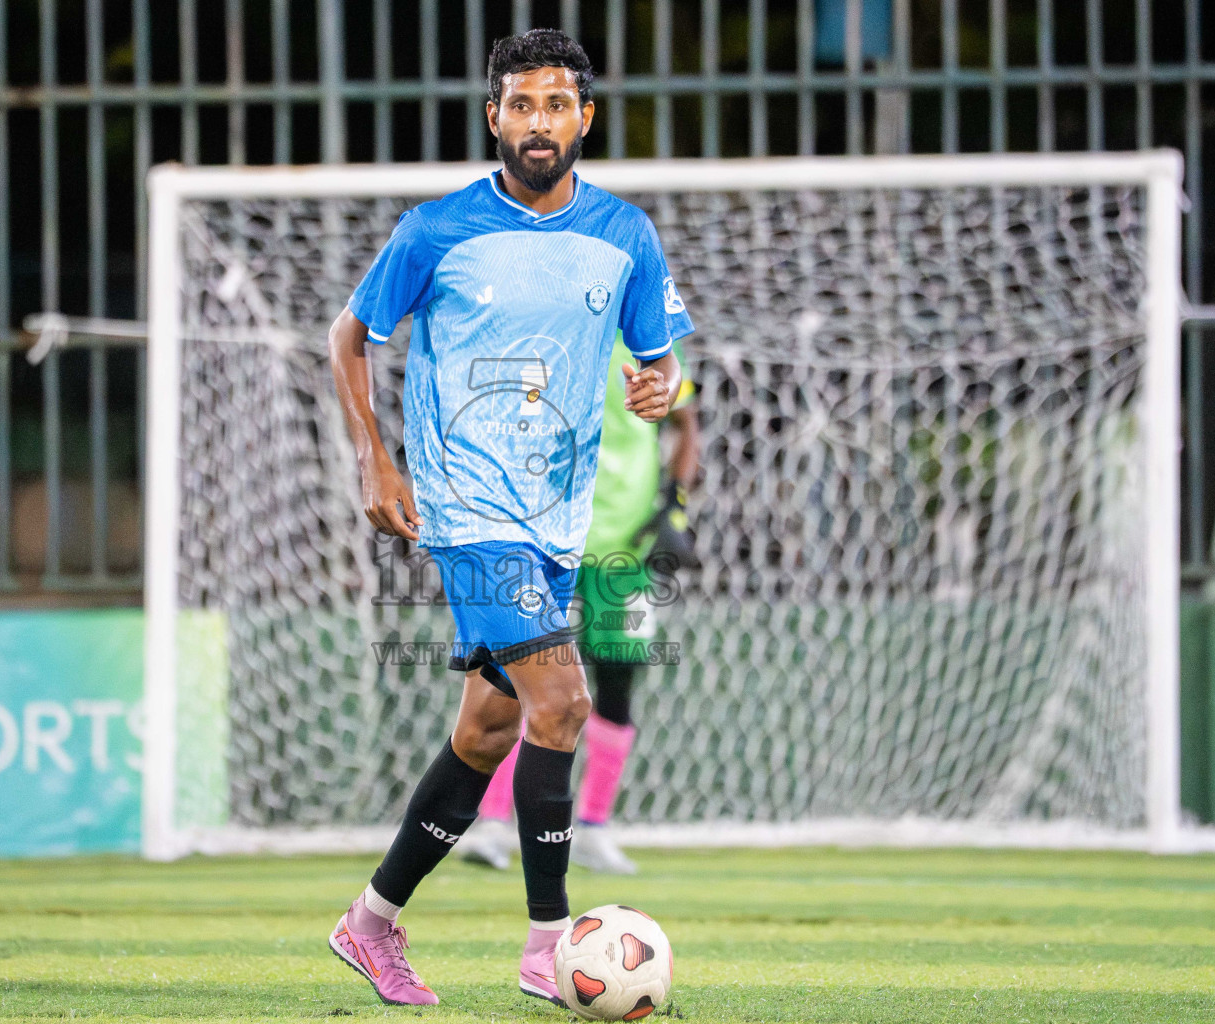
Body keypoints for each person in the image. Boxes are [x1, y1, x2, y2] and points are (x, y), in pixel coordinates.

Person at [325, 28, 692, 1008]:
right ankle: (547, 944)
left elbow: (662, 359)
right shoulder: (436, 229)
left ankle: (370, 921)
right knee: (562, 702)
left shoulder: (625, 235)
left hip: (558, 520)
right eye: (520, 105)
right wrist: (373, 454)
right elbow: (350, 334)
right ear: (495, 116)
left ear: (586, 117)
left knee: (486, 734)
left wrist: (662, 387)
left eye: (556, 105)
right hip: (468, 505)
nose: (538, 123)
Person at [458, 332, 699, 875]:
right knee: (522, 680)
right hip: (545, 540)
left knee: (617, 679)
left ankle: (592, 827)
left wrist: (675, 506)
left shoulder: (648, 347)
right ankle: (495, 823)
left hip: (625, 545)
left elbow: (687, 425)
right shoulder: (543, 335)